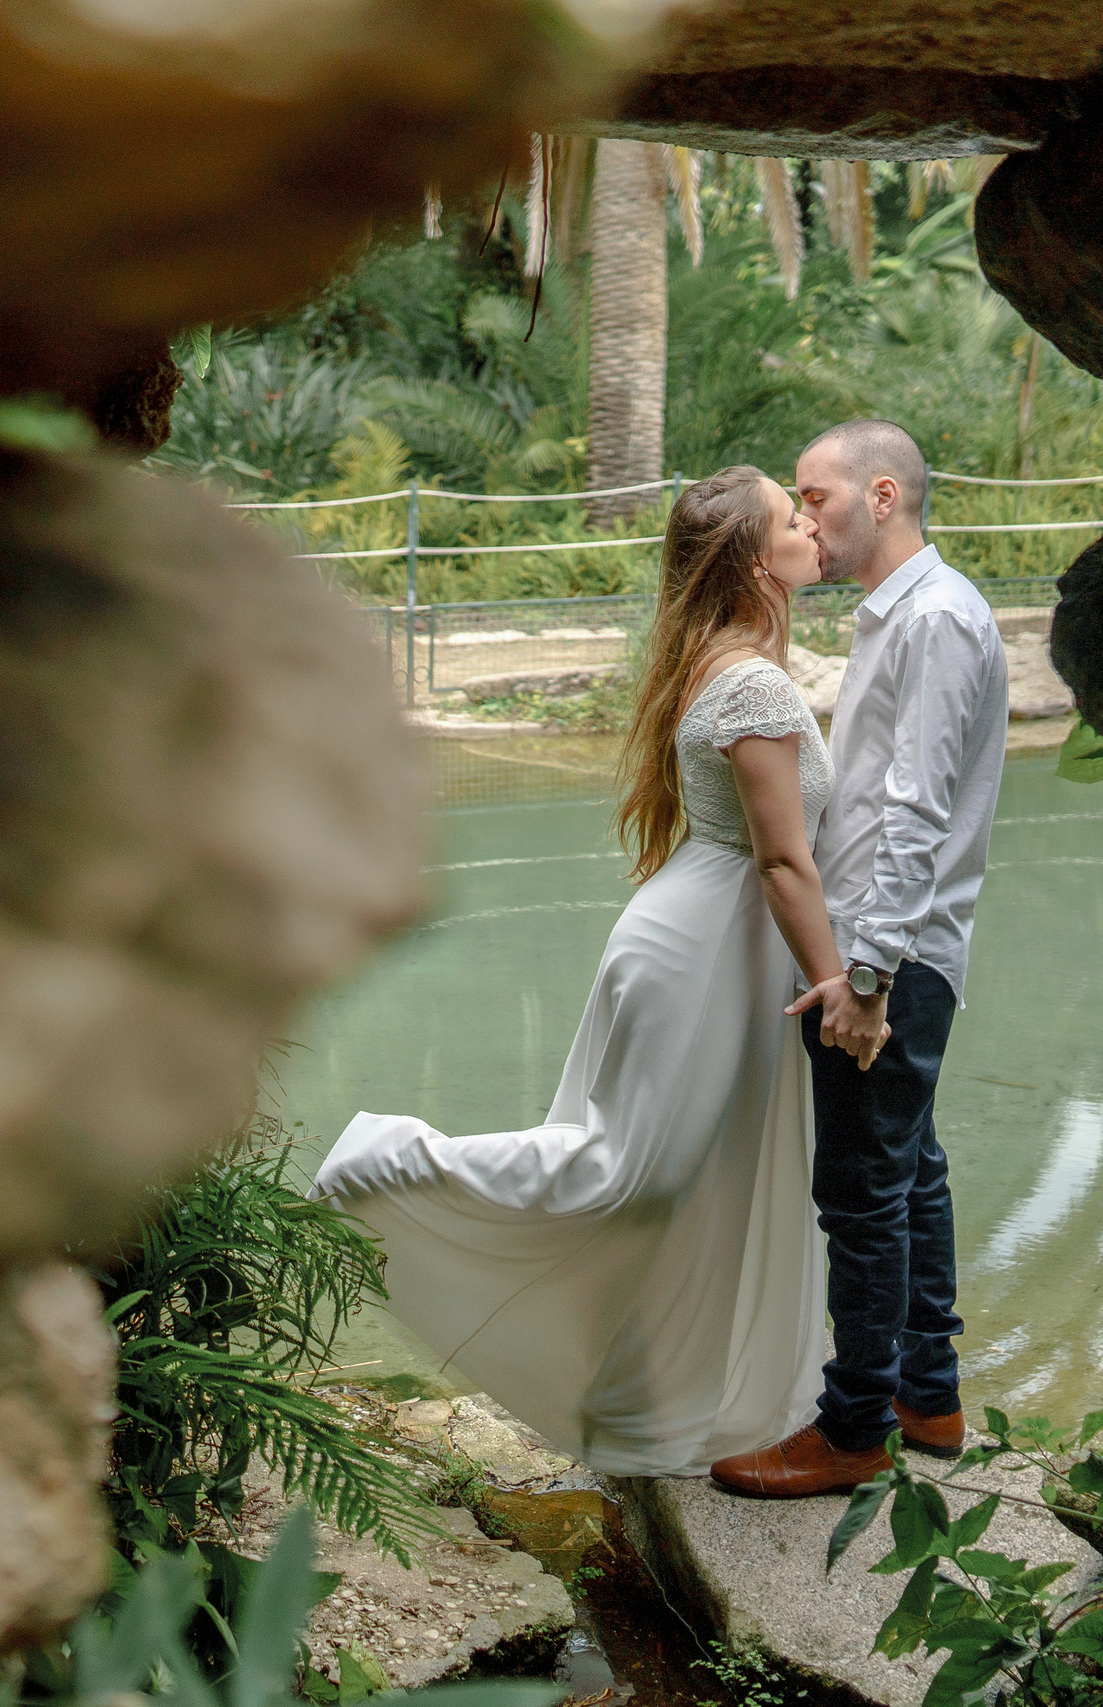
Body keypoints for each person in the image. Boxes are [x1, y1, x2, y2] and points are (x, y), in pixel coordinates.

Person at [310, 467, 853, 1476]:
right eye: (791, 518)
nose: (810, 526)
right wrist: (839, 990)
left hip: (707, 940)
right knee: (631, 1173)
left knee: (691, 1183)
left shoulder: (727, 662)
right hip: (703, 951)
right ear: (749, 557)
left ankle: (643, 1405)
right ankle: (393, 1159)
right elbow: (784, 861)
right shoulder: (752, 682)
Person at [708, 420, 1009, 1498]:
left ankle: (850, 1432)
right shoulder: (903, 617)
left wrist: (866, 979)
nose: (806, 518)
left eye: (815, 496)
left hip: (889, 960)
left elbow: (914, 813)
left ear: (881, 496)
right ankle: (925, 1397)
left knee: (861, 1195)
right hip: (890, 951)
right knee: (909, 1174)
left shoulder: (933, 623)